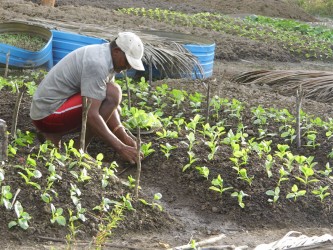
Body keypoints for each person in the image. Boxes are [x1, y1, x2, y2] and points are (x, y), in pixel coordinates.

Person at [30, 32, 145, 164]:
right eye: (128, 62)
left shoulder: (107, 57)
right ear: (117, 51)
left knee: (114, 107)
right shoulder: (97, 63)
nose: (128, 67)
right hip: (47, 114)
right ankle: (80, 147)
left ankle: (54, 135)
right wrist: (121, 147)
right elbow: (92, 115)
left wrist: (124, 137)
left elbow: (108, 106)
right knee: (112, 94)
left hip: (51, 109)